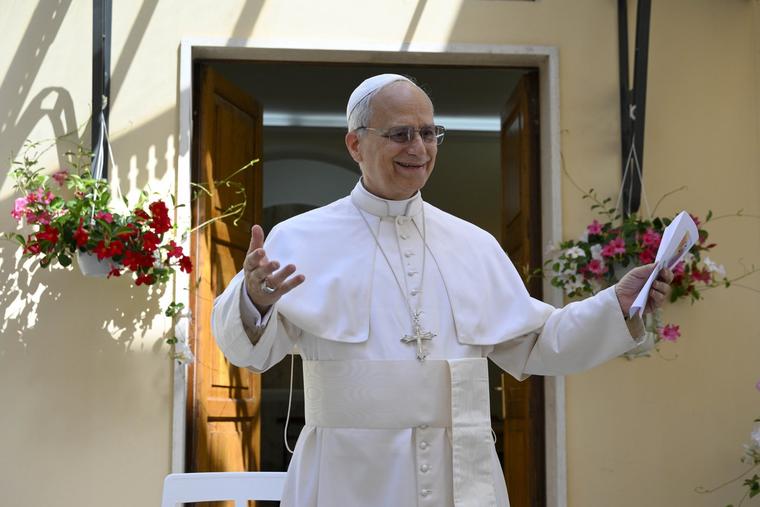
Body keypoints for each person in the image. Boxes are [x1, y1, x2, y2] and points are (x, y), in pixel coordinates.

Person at [212, 74, 673, 507]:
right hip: (348, 474)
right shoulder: (299, 238)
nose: (419, 147)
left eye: (429, 133)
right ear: (356, 143)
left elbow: (538, 342)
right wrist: (254, 301)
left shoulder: (473, 243)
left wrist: (616, 305)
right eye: (401, 134)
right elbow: (248, 355)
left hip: (461, 473)